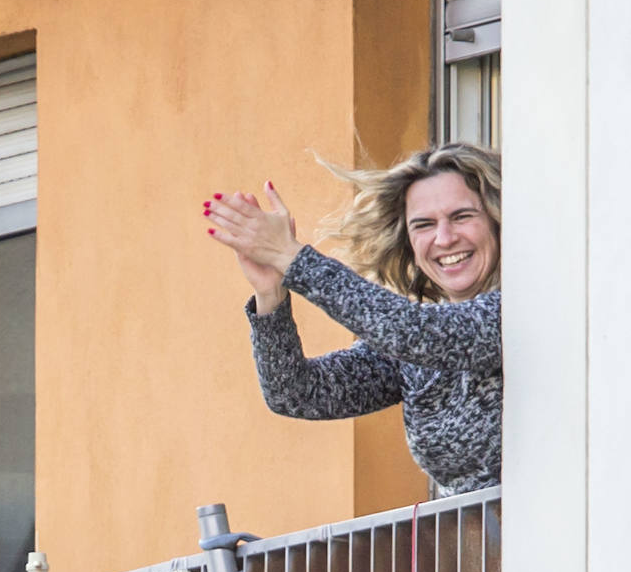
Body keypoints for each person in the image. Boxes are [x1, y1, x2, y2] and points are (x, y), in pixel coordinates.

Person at [202, 142, 501, 496]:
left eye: (462, 216)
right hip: (474, 548)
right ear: (406, 241)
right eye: (424, 224)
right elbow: (297, 393)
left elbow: (414, 332)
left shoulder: (528, 309)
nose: (445, 238)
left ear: (498, 219)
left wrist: (292, 258)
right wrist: (272, 293)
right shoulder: (414, 344)